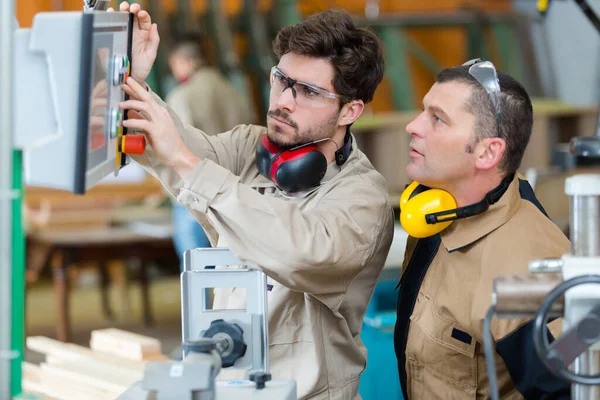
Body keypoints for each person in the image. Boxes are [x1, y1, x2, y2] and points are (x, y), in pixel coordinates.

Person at [111, 3, 394, 399]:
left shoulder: (363, 198)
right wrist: (133, 82)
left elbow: (302, 253)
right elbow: (177, 147)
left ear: (350, 109)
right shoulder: (250, 146)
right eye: (282, 79)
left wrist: (189, 163)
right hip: (231, 387)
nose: (284, 100)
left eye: (309, 92)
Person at [394, 59, 570, 399]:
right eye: (422, 111)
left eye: (437, 119)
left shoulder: (526, 271)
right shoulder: (437, 209)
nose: (413, 126)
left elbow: (569, 389)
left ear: (488, 152)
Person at [165, 35, 253, 265]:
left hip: (195, 193)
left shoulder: (182, 95)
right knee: (232, 273)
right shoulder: (233, 91)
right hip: (234, 193)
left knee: (196, 273)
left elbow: (175, 147)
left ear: (185, 62)